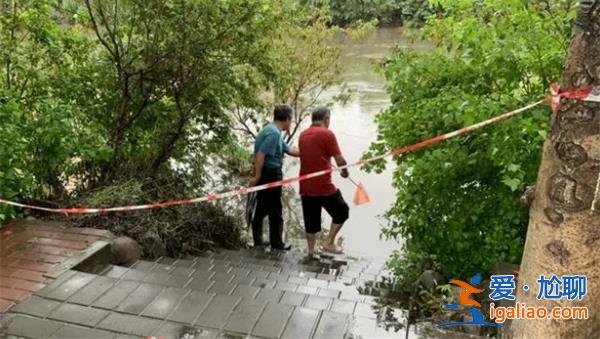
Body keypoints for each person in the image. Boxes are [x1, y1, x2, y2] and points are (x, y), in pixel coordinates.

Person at [299, 107, 350, 257]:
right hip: (323, 186)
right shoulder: (327, 134)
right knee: (342, 211)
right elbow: (340, 160)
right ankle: (328, 242)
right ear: (326, 119)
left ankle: (311, 250)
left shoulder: (303, 135)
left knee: (310, 219)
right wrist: (345, 172)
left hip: (305, 185)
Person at [250, 104, 299, 250]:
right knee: (276, 209)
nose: (291, 123)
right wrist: (257, 176)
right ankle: (277, 244)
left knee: (263, 207)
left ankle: (258, 240)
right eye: (291, 120)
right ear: (287, 118)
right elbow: (260, 155)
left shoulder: (272, 129)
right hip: (270, 174)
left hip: (269, 173)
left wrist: (309, 152)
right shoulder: (273, 134)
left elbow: (289, 149)